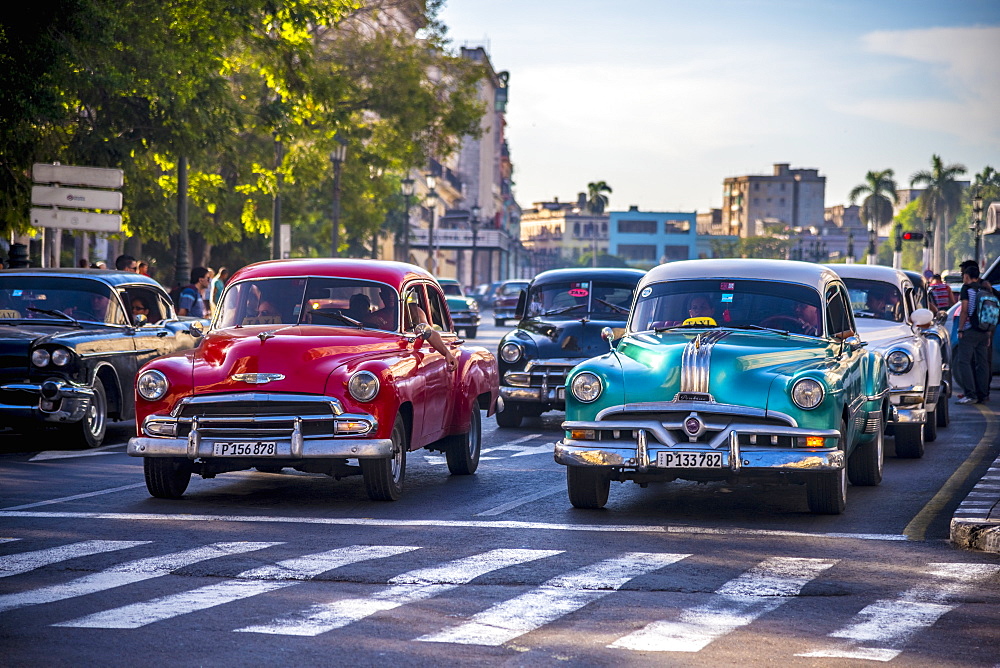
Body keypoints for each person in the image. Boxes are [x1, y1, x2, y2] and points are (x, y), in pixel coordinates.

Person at [954, 263, 990, 405]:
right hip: (984, 330)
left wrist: (961, 329)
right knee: (982, 363)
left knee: (964, 362)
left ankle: (970, 394)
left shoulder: (966, 288)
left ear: (967, 276)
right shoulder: (984, 288)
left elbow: (964, 310)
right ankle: (983, 394)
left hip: (970, 330)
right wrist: (988, 331)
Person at [403, 288, 456, 371]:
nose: (390, 297)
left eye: (393, 294)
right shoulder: (376, 316)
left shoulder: (415, 312)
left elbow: (429, 332)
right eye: (386, 294)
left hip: (409, 348)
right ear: (382, 295)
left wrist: (447, 353)